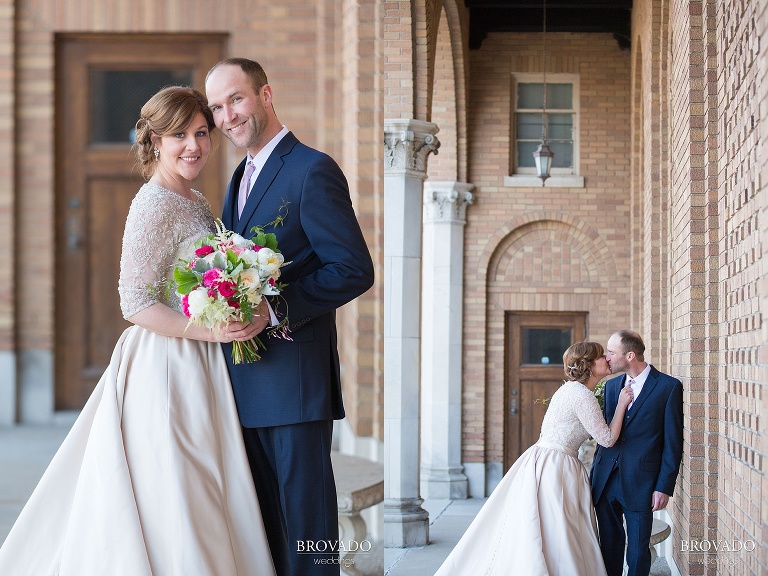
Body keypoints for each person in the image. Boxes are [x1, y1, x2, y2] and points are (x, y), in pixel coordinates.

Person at [0, 86, 276, 576]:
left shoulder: (194, 198)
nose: (194, 146)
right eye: (178, 136)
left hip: (202, 362)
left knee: (207, 485)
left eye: (200, 133)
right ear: (152, 141)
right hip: (167, 366)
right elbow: (135, 304)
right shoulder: (153, 204)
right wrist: (213, 332)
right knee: (177, 487)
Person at [204, 58, 375, 576]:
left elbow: (353, 269)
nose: (227, 115)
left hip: (296, 387)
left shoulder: (311, 169)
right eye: (216, 107)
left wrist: (273, 307)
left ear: (266, 95)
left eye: (235, 99)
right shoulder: (239, 177)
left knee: (308, 535)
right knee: (268, 530)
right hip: (247, 385)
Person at [434, 341, 634, 576]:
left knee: (552, 527)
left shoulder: (570, 390)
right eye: (602, 356)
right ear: (589, 365)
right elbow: (607, 439)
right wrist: (621, 405)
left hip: (548, 459)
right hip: (558, 466)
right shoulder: (582, 395)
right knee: (559, 528)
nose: (607, 359)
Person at [591, 330, 684, 576]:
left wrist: (664, 486)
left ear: (630, 355)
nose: (607, 357)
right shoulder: (611, 387)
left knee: (638, 551)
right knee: (608, 547)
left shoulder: (668, 387)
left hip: (642, 483)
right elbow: (606, 434)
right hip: (606, 480)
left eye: (611, 352)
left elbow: (673, 441)